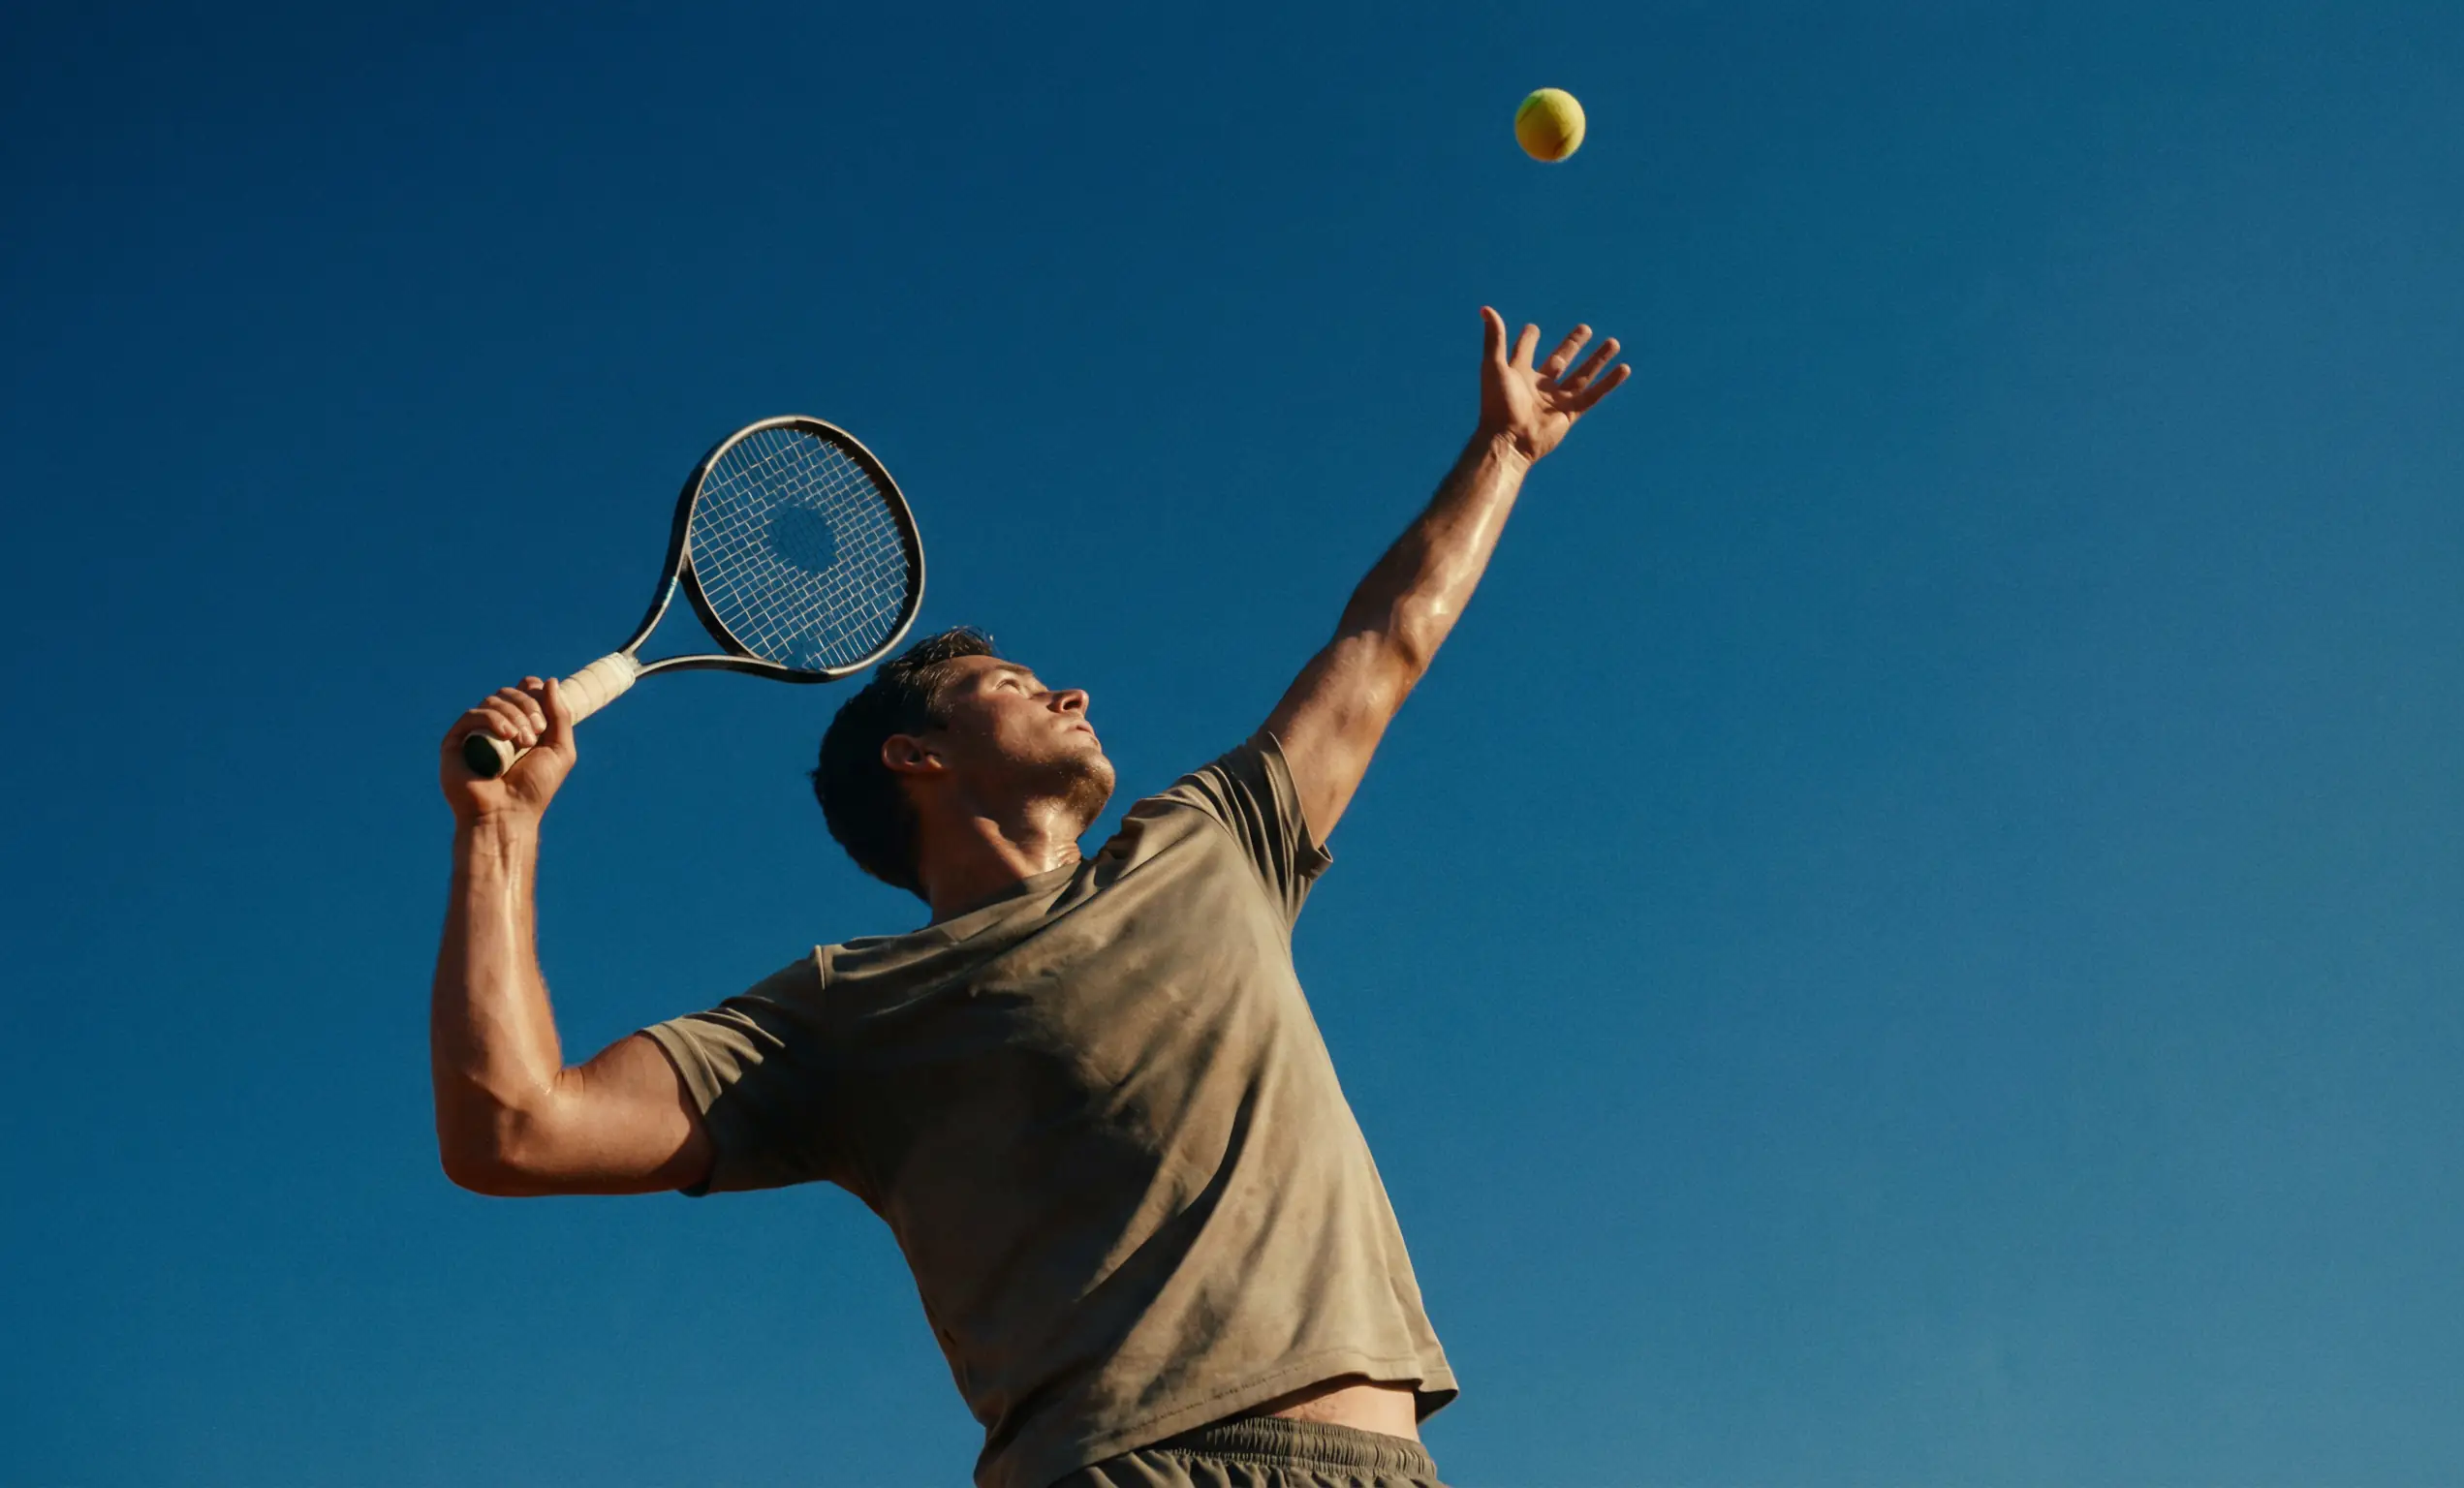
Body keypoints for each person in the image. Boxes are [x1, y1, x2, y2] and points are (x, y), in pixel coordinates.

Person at [430, 308, 1630, 1488]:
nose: (1072, 695)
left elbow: (1383, 641)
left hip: (1381, 1466)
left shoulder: (1208, 843)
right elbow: (514, 1129)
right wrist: (499, 829)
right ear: (917, 757)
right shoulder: (843, 1009)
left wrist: (1504, 450)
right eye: (1011, 684)